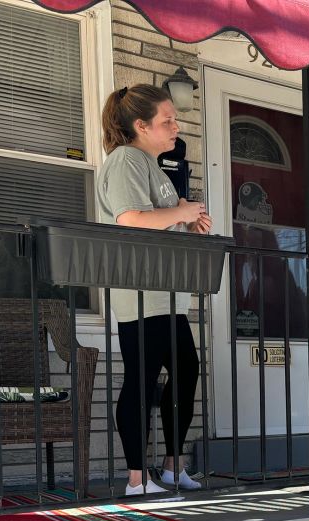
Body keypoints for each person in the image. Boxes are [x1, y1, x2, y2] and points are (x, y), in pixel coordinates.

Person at [97, 84, 213, 496]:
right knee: (142, 380)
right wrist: (180, 211)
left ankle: (171, 467)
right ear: (141, 126)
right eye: (167, 121)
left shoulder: (152, 165)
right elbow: (129, 218)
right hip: (140, 293)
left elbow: (156, 218)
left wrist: (186, 219)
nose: (176, 127)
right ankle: (135, 480)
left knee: (185, 372)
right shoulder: (126, 159)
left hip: (164, 293)